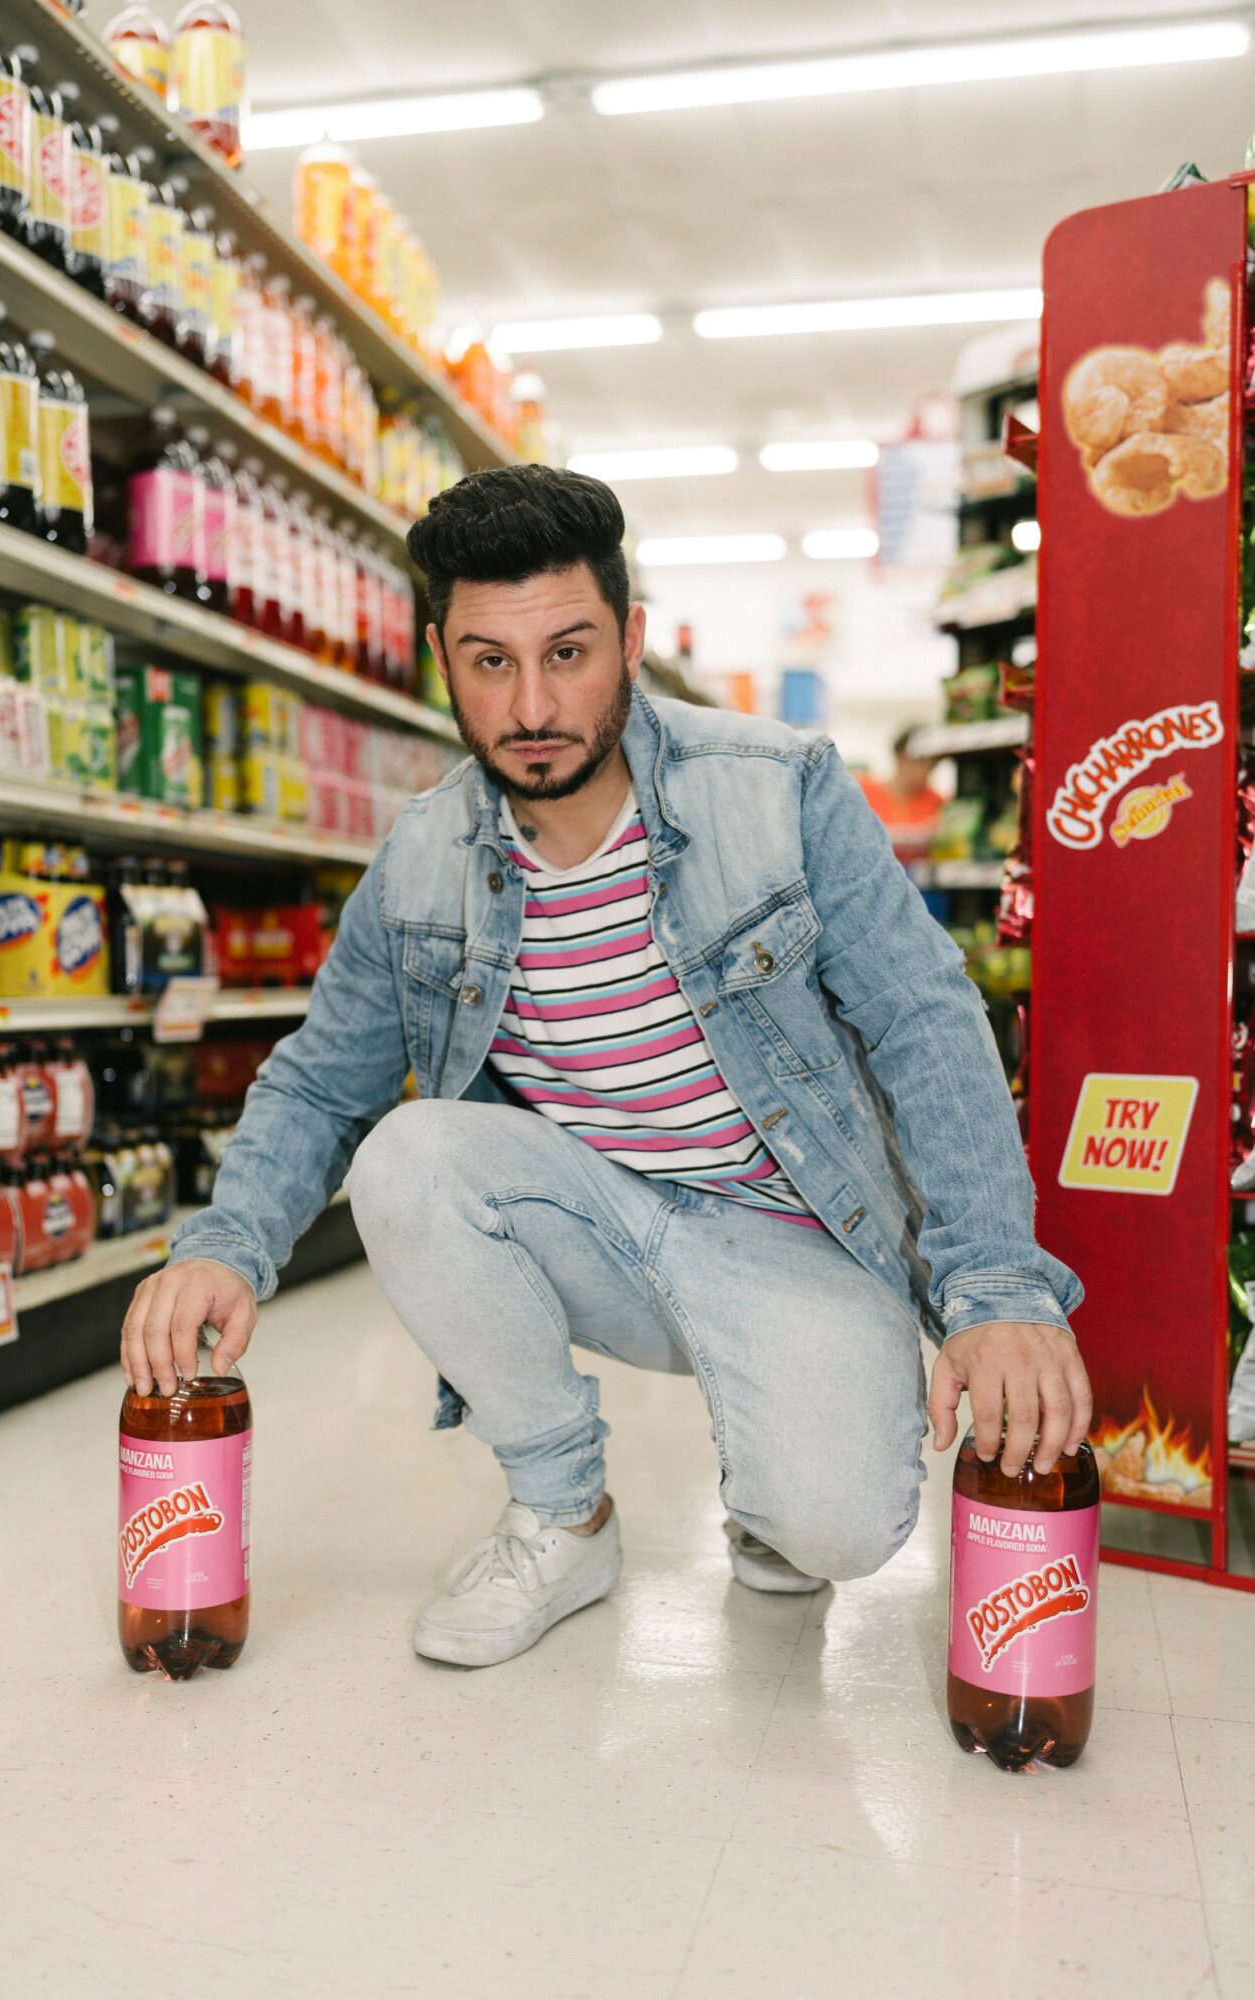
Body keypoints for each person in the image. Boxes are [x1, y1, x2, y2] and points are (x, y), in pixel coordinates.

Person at [121, 465, 1089, 1670]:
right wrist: (223, 1244)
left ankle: (776, 1471)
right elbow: (321, 1081)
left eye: (568, 653)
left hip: (797, 1233)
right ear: (440, 658)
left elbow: (925, 1019)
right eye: (489, 661)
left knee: (834, 1529)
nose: (532, 704)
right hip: (598, 1224)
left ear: (629, 639)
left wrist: (996, 1285)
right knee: (408, 1154)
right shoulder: (421, 860)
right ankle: (562, 1511)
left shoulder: (776, 788)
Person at [857, 728, 946, 865]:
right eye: (919, 760)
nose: (925, 769)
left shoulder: (937, 802)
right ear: (899, 755)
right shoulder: (863, 791)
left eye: (932, 764)